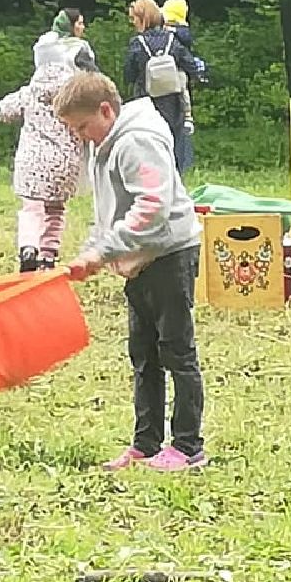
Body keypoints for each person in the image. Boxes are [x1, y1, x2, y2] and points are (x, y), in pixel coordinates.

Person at [57, 71, 207, 472]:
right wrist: (92, 251)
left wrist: (104, 251)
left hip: (170, 254)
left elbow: (151, 209)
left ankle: (189, 447)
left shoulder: (136, 141)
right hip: (139, 262)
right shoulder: (105, 145)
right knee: (143, 354)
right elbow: (108, 215)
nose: (82, 136)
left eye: (83, 127)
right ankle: (146, 444)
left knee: (176, 351)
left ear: (106, 110)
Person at [0, 62, 87, 272]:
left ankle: (28, 247)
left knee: (32, 209)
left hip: (32, 163)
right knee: (55, 210)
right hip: (64, 164)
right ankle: (47, 255)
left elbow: (3, 111)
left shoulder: (29, 94)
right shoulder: (73, 99)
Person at [122, 0, 202, 175]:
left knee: (149, 149)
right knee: (174, 149)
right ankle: (176, 185)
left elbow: (128, 75)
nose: (133, 22)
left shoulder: (137, 44)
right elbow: (191, 66)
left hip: (147, 104)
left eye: (134, 18)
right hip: (173, 105)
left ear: (143, 18)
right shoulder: (172, 41)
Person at [161, 0, 208, 173]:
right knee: (183, 93)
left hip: (176, 73)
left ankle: (188, 116)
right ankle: (187, 116)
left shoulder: (175, 33)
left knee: (182, 92)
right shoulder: (182, 31)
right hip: (175, 74)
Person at [33, 8, 98, 72]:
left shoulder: (42, 45)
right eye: (80, 23)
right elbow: (92, 74)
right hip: (69, 82)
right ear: (69, 26)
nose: (83, 27)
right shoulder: (78, 48)